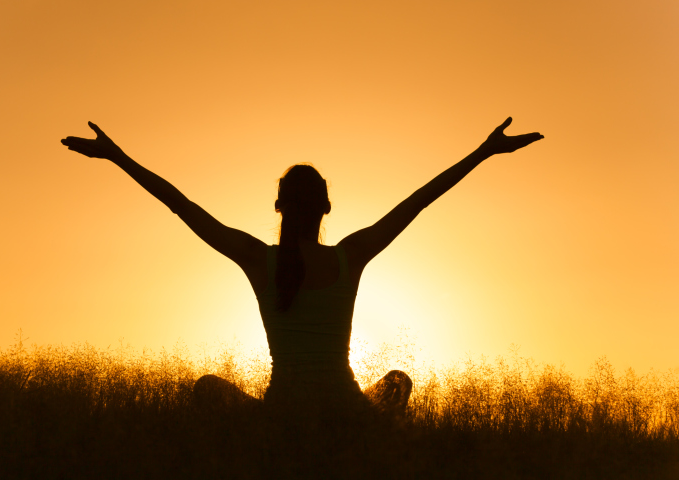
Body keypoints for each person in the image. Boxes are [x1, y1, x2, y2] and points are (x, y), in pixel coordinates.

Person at [61, 118, 543, 421]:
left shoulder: (258, 259)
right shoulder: (349, 255)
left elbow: (180, 206)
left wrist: (116, 156)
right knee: (397, 381)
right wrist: (483, 152)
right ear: (326, 208)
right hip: (346, 414)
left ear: (278, 206)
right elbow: (418, 201)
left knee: (207, 391)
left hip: (282, 417)